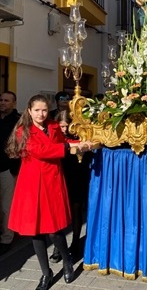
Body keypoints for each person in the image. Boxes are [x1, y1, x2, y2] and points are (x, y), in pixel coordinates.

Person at [6, 94, 91, 290]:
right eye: (37, 110)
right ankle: (46, 273)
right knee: (35, 232)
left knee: (54, 230)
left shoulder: (53, 126)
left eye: (44, 110)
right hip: (32, 184)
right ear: (29, 111)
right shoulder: (22, 131)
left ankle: (67, 260)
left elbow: (63, 142)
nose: (41, 114)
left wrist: (79, 144)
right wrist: (67, 146)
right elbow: (41, 151)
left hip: (52, 182)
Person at [49, 109, 92, 263]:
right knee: (59, 211)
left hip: (78, 176)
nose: (64, 130)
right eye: (61, 126)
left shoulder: (82, 136)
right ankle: (58, 247)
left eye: (67, 126)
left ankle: (75, 242)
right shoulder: (53, 136)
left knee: (76, 210)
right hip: (60, 176)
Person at [0, 91, 20, 255]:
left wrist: (15, 169)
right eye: (1, 100)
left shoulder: (18, 121)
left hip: (8, 169)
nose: (2, 103)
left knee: (7, 206)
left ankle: (7, 238)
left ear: (13, 103)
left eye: (6, 100)